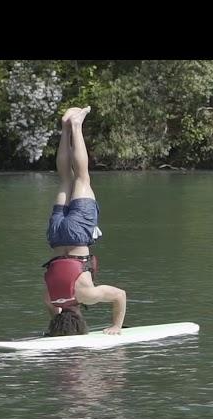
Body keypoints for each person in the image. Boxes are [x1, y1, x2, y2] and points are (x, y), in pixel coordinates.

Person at [42, 106, 126, 336]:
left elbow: (120, 295)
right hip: (57, 235)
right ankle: (65, 128)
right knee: (65, 178)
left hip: (77, 234)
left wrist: (116, 326)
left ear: (79, 319)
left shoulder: (87, 295)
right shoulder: (50, 301)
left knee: (82, 176)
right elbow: (56, 312)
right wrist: (54, 330)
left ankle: (77, 125)